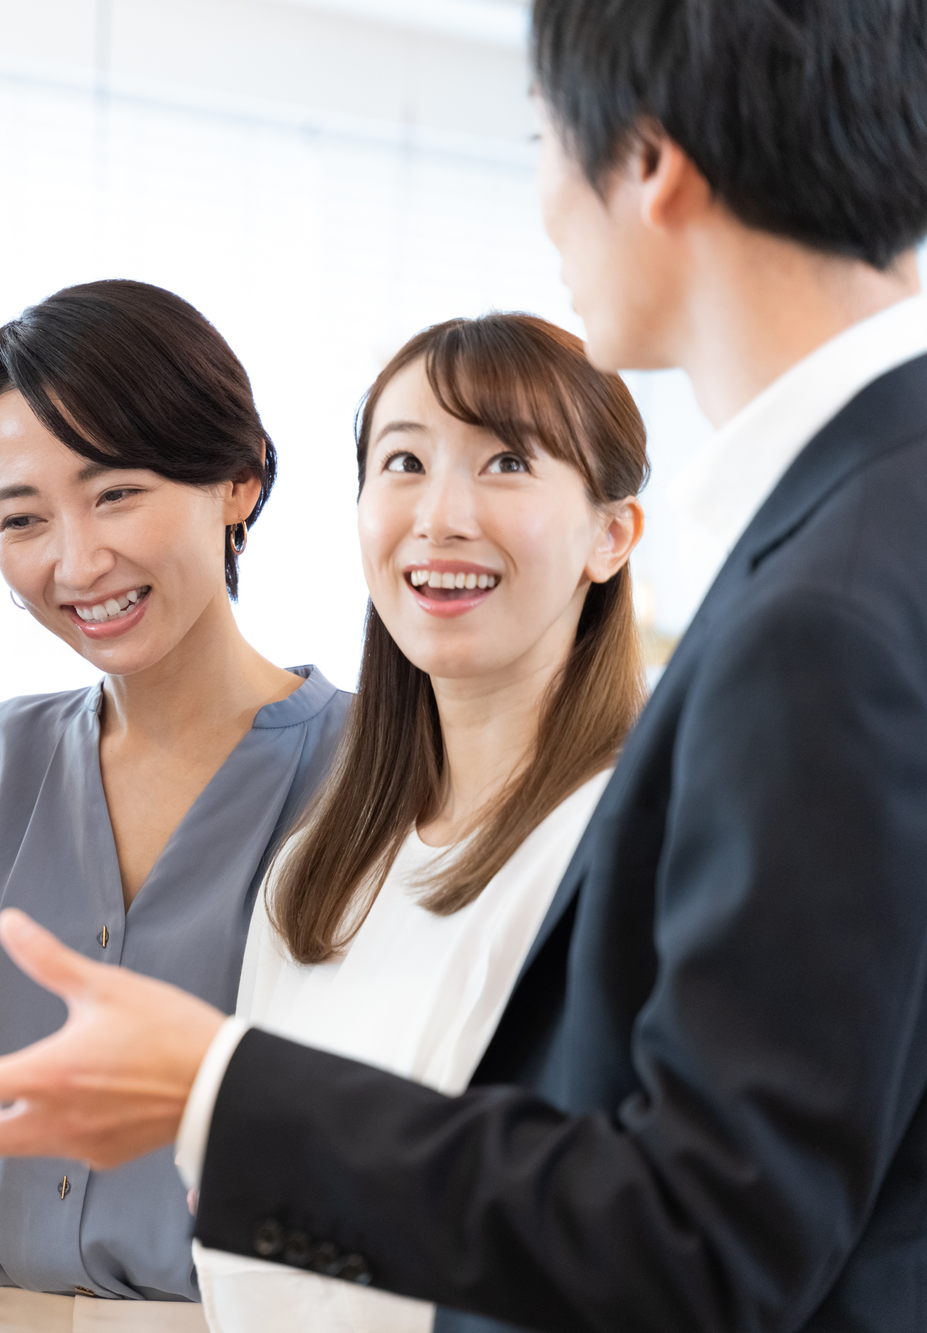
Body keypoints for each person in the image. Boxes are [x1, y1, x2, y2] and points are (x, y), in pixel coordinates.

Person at [0, 0, 927, 1328]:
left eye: (543, 139)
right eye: (405, 464)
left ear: (647, 161)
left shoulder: (827, 600)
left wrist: (214, 1089)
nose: (545, 205)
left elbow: (705, 1230)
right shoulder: (865, 531)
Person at [0, 280, 351, 1330]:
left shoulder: (382, 773)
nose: (76, 560)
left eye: (115, 494)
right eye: (22, 518)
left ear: (238, 481)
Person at [191, 312, 644, 1333]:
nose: (439, 516)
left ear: (608, 534)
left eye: (505, 462)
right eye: (402, 461)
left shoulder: (622, 850)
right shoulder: (318, 868)